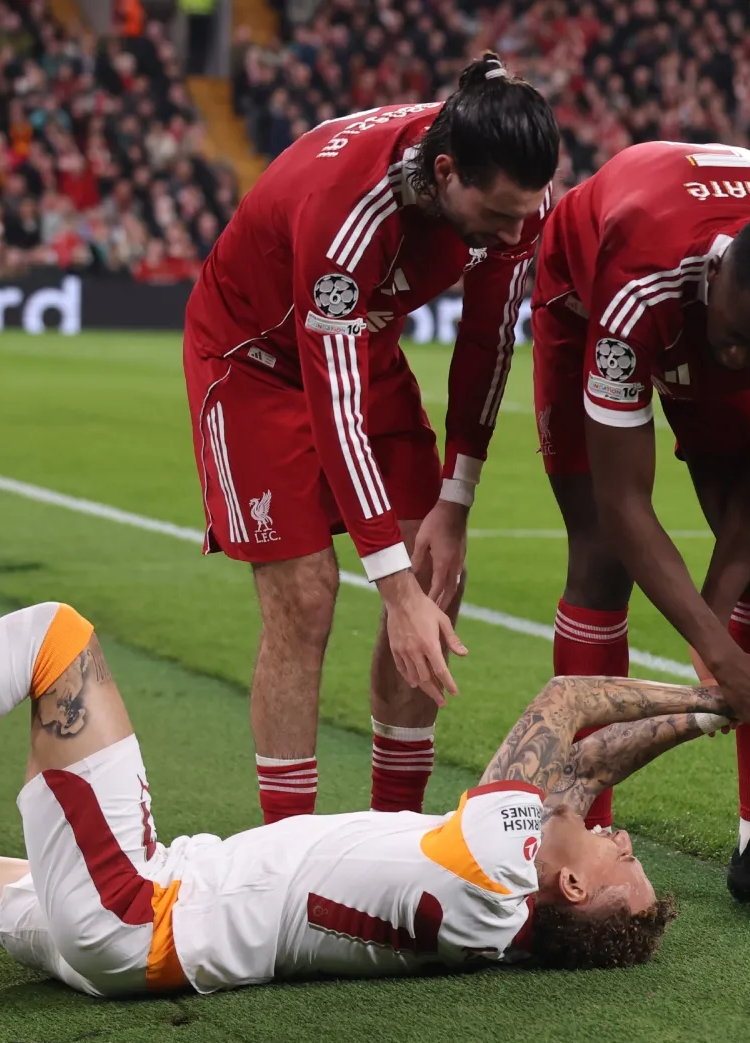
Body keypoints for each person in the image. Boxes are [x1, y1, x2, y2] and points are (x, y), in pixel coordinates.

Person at [0, 601, 750, 1031]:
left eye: (623, 861)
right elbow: (586, 776)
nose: (623, 833)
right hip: (128, 949)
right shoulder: (502, 904)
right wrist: (708, 721)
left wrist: (718, 687)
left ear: (570, 887)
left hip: (142, 911)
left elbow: (567, 708)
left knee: (55, 643)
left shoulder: (495, 865)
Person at [182, 54, 558, 822]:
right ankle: (287, 859)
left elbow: (487, 347)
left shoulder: (515, 191)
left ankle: (395, 837)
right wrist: (393, 591)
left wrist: (456, 502)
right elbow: (334, 408)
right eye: (499, 218)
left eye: (526, 214)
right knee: (307, 599)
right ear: (445, 172)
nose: (518, 233)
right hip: (254, 363)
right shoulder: (346, 218)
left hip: (364, 345)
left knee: (437, 575)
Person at [531, 140, 750, 915]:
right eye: (735, 332)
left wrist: (713, 635)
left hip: (685, 292)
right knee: (597, 554)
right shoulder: (638, 286)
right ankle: (577, 831)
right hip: (581, 292)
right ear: (716, 276)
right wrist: (723, 657)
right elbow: (626, 504)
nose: (736, 356)